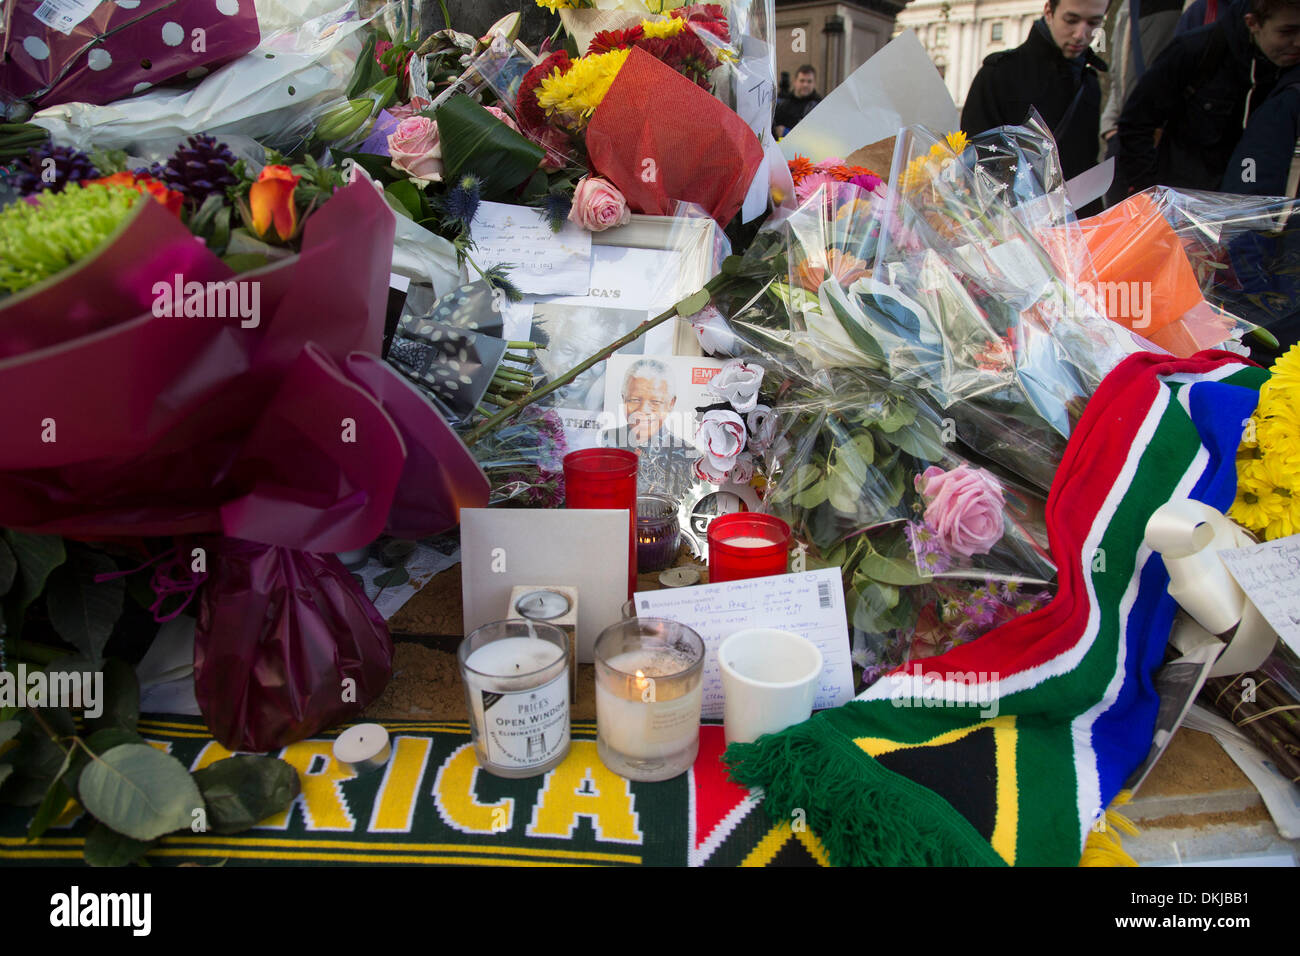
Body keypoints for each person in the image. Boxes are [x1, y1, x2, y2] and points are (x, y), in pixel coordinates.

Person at [1113, 0, 1300, 197]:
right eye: (1287, 32)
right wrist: (1150, 194)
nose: (1298, 43)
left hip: (1253, 206)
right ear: (1252, 23)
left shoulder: (1290, 71)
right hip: (1184, 204)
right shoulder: (1197, 50)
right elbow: (1135, 124)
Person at [961, 0, 1110, 191]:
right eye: (1071, 20)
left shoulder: (1089, 82)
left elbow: (1086, 162)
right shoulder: (999, 74)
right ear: (1048, 11)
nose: (1080, 35)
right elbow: (975, 161)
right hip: (1012, 214)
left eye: (1093, 23)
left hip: (1077, 214)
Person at [1100, 0, 1190, 158]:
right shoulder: (1128, 7)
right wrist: (1111, 129)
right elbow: (1118, 77)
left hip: (1168, 142)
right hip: (1125, 138)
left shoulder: (1190, 8)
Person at [601, 358, 697, 499]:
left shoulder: (691, 457)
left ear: (671, 403)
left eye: (655, 402)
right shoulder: (603, 442)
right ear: (623, 399)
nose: (643, 410)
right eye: (634, 400)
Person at [773, 65, 821, 138]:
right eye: (802, 81)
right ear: (795, 82)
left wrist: (787, 133)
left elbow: (816, 135)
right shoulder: (784, 103)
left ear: (814, 84)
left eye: (809, 81)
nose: (805, 85)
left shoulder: (818, 106)